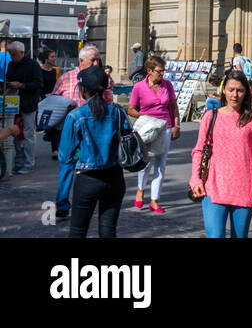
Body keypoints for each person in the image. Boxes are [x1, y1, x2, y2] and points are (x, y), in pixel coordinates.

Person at [189, 69, 252, 238]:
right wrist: (195, 179)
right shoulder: (211, 116)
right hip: (213, 188)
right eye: (231, 89)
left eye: (239, 90)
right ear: (223, 90)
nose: (235, 95)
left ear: (246, 92)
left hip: (244, 190)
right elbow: (199, 150)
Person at [59, 67, 127, 238]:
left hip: (88, 178)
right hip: (114, 176)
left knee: (78, 231)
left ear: (83, 89)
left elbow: (65, 156)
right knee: (108, 230)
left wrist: (78, 155)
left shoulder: (75, 116)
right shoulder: (118, 112)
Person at [52, 44, 102, 218]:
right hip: (71, 130)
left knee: (92, 168)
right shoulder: (66, 78)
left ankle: (88, 203)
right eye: (93, 60)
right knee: (67, 165)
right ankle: (62, 204)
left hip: (92, 131)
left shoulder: (102, 78)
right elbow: (55, 100)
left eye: (98, 59)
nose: (96, 63)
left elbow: (108, 102)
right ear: (81, 61)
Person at [127, 56, 178, 214]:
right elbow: (131, 109)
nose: (162, 74)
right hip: (148, 128)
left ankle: (154, 200)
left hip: (166, 127)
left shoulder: (167, 85)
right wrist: (143, 117)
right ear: (149, 71)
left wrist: (177, 125)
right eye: (159, 71)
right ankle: (141, 189)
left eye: (163, 71)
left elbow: (174, 106)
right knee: (146, 162)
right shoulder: (139, 87)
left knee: (160, 165)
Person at [3, 41, 41, 175]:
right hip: (14, 103)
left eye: (14, 55)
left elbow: (38, 83)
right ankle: (18, 162)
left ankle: (28, 163)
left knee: (28, 134)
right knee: (16, 134)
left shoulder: (33, 65)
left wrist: (22, 85)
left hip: (28, 103)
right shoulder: (11, 64)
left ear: (22, 53)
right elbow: (8, 79)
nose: (12, 57)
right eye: (11, 55)